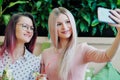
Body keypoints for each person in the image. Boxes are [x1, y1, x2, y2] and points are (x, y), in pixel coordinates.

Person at [40, 7, 120, 80]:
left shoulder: (82, 49)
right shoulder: (46, 53)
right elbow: (42, 77)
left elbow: (106, 56)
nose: (64, 27)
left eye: (68, 22)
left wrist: (119, 33)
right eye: (59, 24)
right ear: (53, 28)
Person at [0, 12, 40, 80]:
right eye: (25, 26)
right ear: (13, 27)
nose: (29, 31)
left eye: (31, 28)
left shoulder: (34, 62)